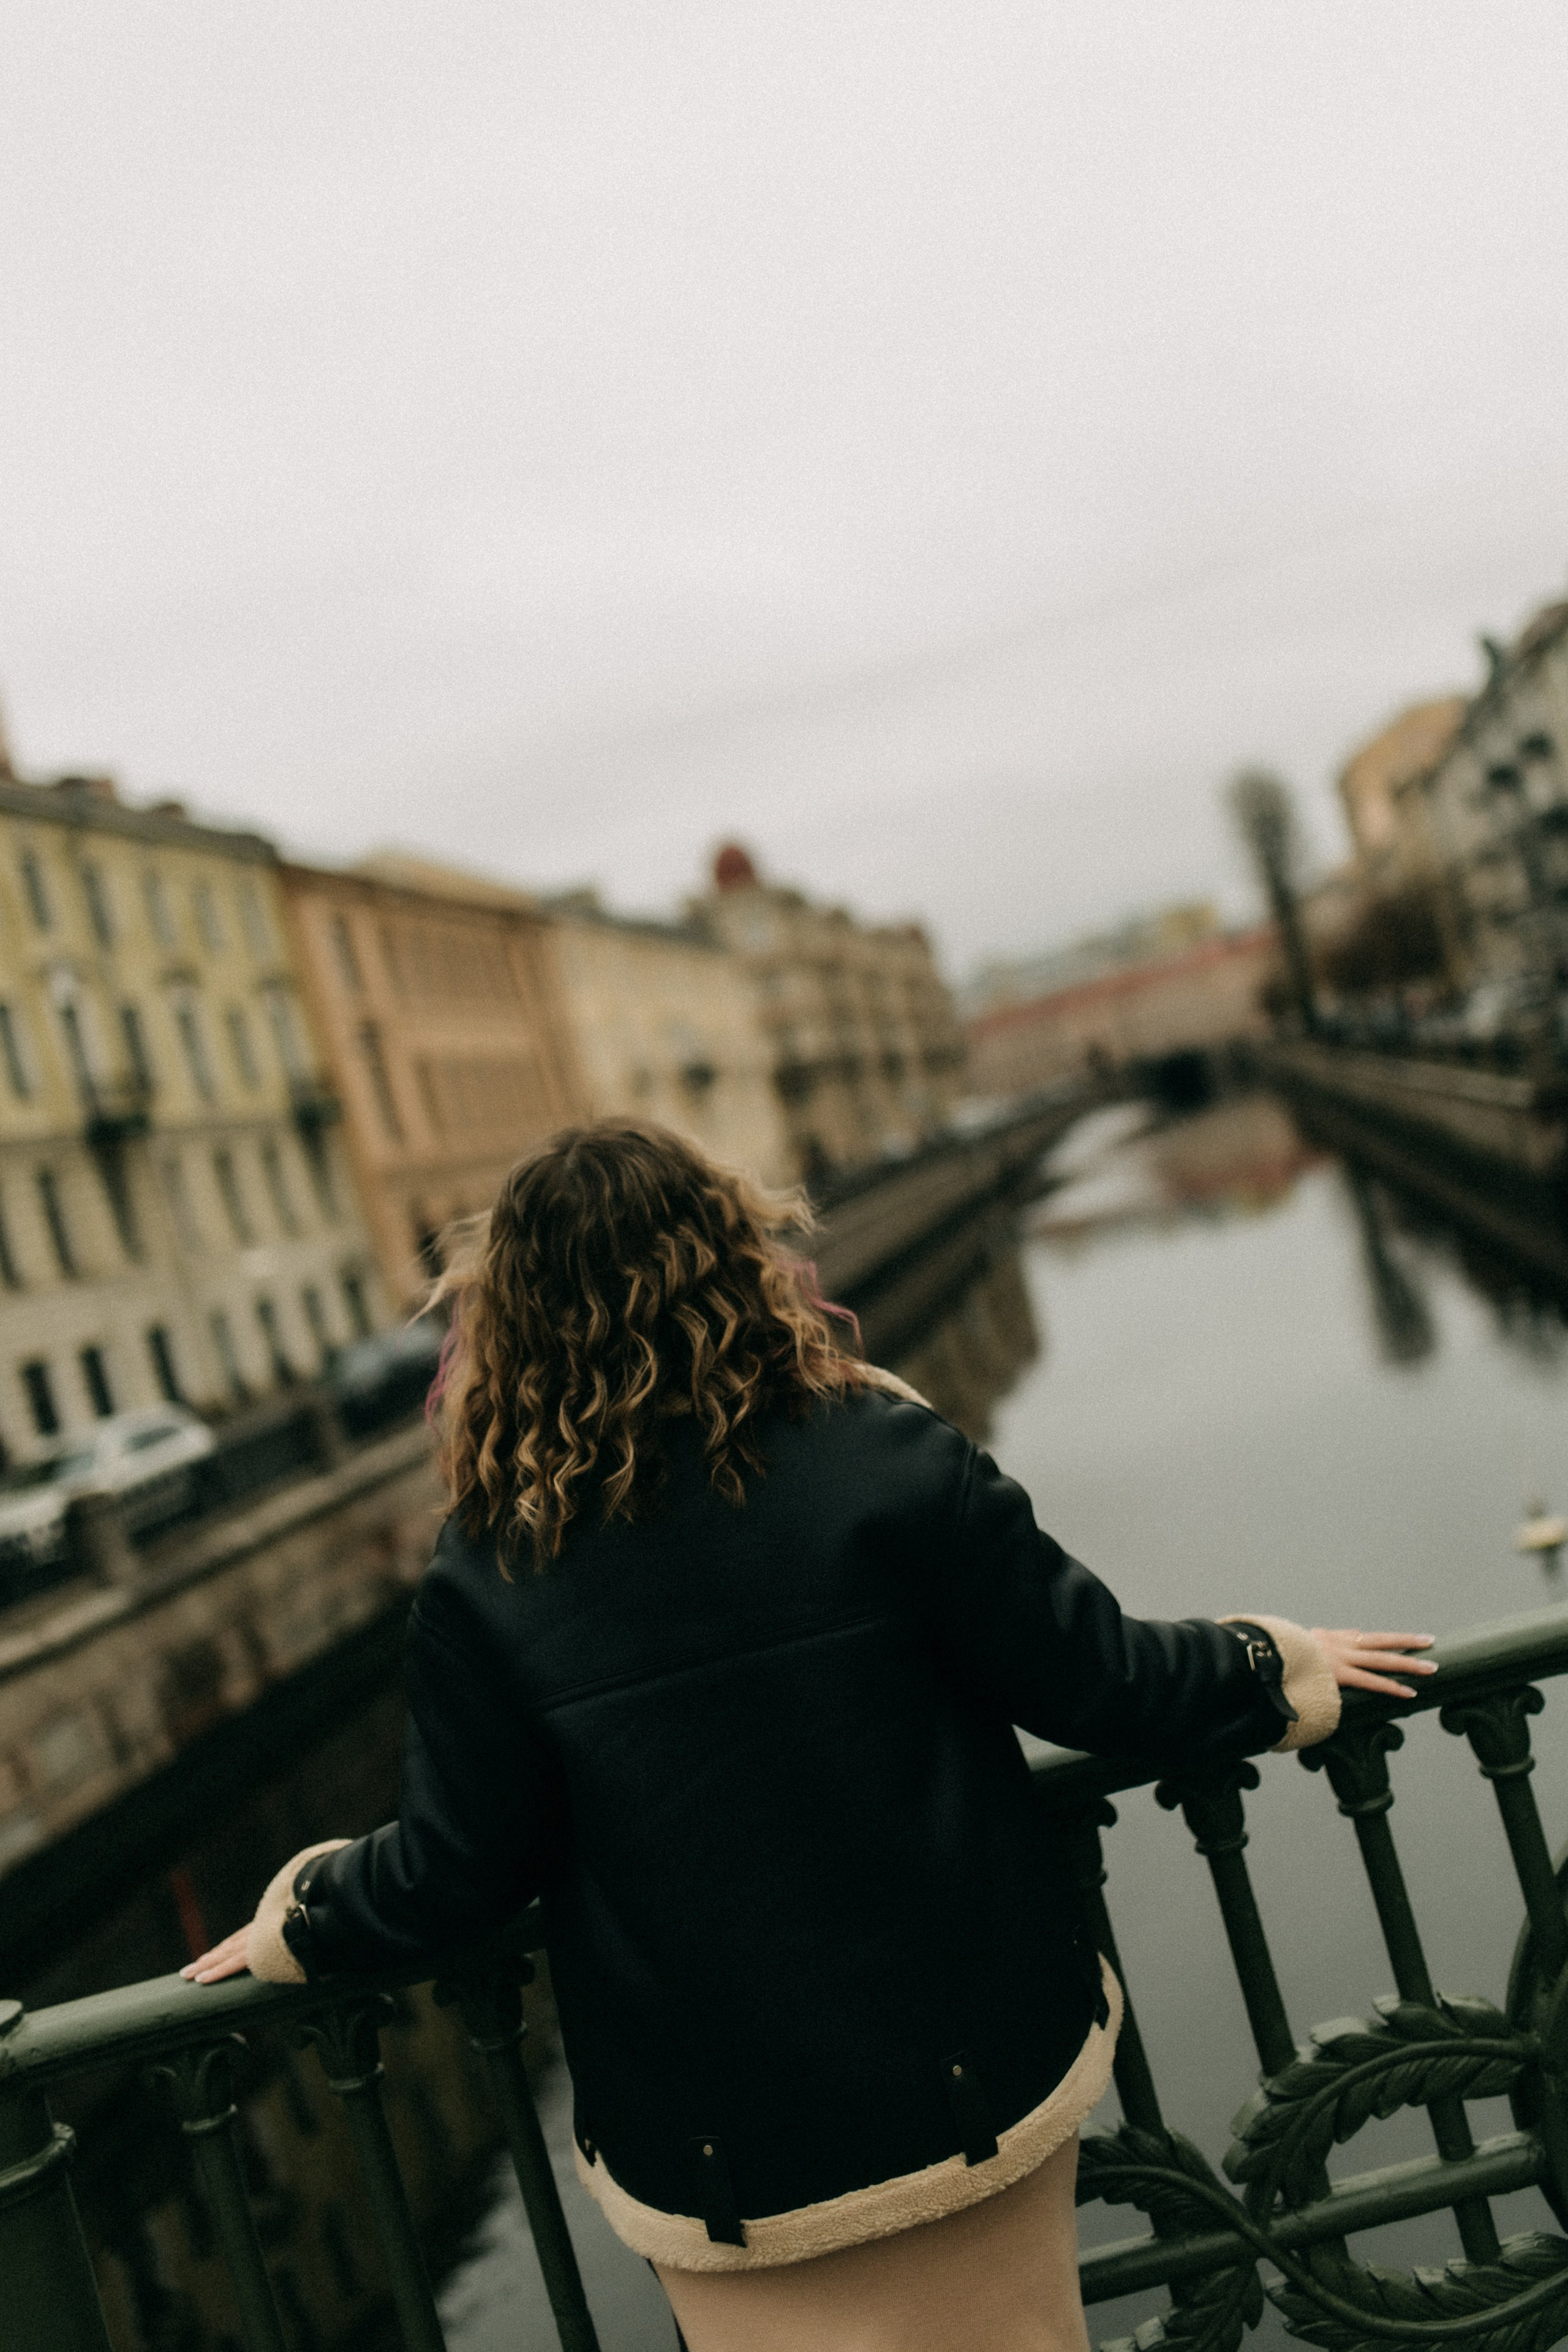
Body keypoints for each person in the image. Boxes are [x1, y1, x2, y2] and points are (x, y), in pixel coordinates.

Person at [185, 1121, 1435, 2352]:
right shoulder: (884, 1457)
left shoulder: (492, 1567)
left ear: (503, 1322)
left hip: (722, 2158)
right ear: (738, 1258)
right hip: (969, 2081)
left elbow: (457, 1867)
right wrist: (1280, 1666)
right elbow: (1097, 1682)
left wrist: (305, 1917)